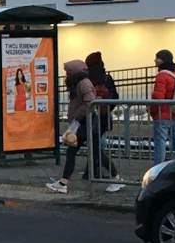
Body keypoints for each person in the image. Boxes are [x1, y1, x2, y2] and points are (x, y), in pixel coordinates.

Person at [47, 60, 122, 194]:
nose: (66, 74)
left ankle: (64, 183)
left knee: (80, 151)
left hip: (85, 122)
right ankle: (64, 182)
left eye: (67, 71)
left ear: (74, 72)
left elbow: (89, 103)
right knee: (92, 151)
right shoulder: (80, 83)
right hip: (84, 121)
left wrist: (77, 115)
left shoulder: (83, 84)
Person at [82, 52, 125, 190]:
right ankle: (90, 173)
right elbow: (115, 97)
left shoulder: (87, 79)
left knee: (95, 147)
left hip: (92, 117)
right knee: (95, 145)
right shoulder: (107, 78)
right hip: (104, 117)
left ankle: (116, 177)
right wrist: (106, 108)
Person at [151, 48, 175, 165]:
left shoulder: (162, 76)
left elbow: (158, 98)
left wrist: (152, 112)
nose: (155, 60)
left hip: (162, 116)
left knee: (160, 145)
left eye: (157, 58)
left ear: (163, 60)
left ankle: (157, 171)